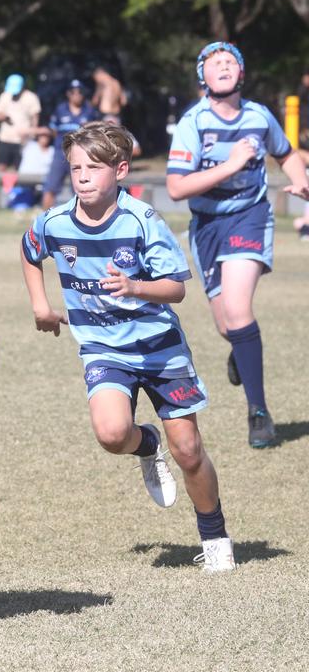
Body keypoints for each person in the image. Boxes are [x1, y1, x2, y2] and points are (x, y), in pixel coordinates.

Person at [21, 121, 237, 573]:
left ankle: (214, 535)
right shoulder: (55, 222)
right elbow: (29, 250)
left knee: (190, 450)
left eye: (94, 168)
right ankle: (145, 445)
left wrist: (135, 287)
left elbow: (176, 289)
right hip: (103, 349)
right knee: (112, 433)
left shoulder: (143, 221)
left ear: (120, 170)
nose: (82, 176)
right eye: (75, 167)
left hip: (160, 349)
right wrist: (41, 306)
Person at [166, 42, 309, 448]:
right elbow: (176, 187)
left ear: (241, 74)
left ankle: (258, 412)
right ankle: (241, 350)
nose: (224, 66)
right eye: (215, 63)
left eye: (231, 62)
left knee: (237, 308)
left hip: (250, 216)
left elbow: (286, 153)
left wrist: (301, 179)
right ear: (203, 78)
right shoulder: (193, 123)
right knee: (227, 324)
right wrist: (230, 165)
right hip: (207, 225)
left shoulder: (259, 116)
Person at [40, 79, 100, 210]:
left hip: (81, 156)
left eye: (80, 92)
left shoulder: (90, 111)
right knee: (51, 186)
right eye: (73, 92)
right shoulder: (60, 109)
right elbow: (54, 131)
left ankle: (82, 220)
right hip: (60, 154)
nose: (77, 95)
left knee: (82, 188)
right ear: (68, 94)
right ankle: (44, 220)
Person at [0, 74, 41, 172]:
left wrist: (31, 134)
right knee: (0, 168)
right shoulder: (5, 96)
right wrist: (3, 117)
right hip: (5, 138)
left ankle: (17, 187)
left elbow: (35, 119)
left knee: (20, 169)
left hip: (22, 140)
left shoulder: (31, 98)